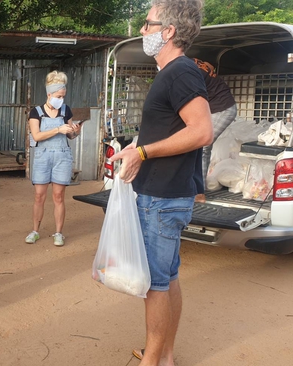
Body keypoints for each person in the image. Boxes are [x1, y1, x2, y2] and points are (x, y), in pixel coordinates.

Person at [109, 1, 213, 365]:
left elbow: (201, 131)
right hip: (162, 195)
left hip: (161, 198)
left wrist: (144, 154)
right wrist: (135, 147)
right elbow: (168, 127)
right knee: (167, 278)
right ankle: (164, 354)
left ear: (168, 31)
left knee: (154, 285)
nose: (142, 30)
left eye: (147, 23)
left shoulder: (181, 72)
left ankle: (153, 360)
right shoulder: (170, 72)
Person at [25, 71, 81, 247]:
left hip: (62, 157)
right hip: (43, 156)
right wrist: (58, 129)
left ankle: (59, 233)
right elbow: (37, 136)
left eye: (63, 96)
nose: (61, 99)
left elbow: (70, 136)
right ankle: (35, 231)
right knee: (39, 196)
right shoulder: (36, 112)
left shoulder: (66, 110)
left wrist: (75, 131)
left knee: (58, 196)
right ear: (49, 94)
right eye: (58, 96)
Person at [191, 58, 238, 202]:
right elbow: (210, 67)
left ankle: (199, 193)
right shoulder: (193, 62)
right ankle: (194, 188)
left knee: (202, 146)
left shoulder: (186, 71)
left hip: (223, 108)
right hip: (211, 109)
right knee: (200, 147)